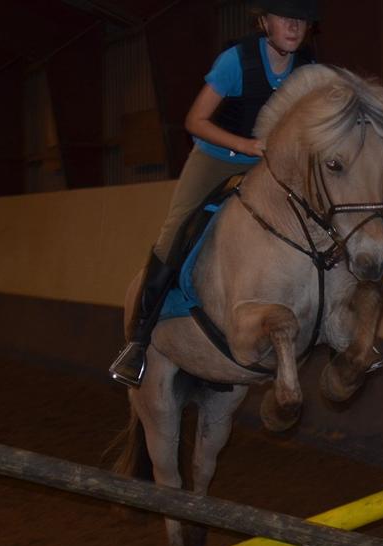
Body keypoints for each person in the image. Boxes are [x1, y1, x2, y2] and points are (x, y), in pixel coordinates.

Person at [110, 0, 320, 387]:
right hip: (216, 157)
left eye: (302, 20)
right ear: (264, 21)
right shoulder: (235, 61)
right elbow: (195, 121)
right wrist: (246, 145)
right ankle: (138, 342)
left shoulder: (307, 70)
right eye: (285, 18)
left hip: (267, 163)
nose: (294, 26)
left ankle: (337, 320)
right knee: (176, 229)